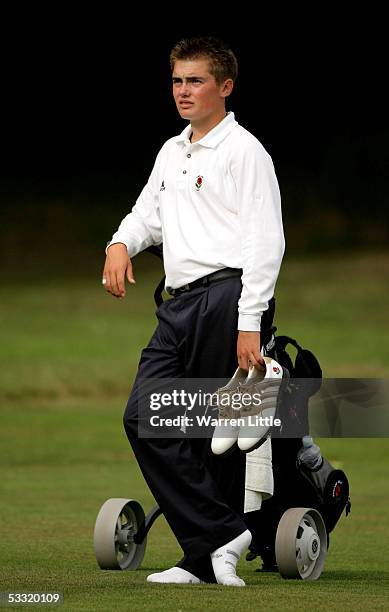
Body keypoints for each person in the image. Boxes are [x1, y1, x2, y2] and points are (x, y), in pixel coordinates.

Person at [102, 36, 285, 586]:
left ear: (224, 87)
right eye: (178, 81)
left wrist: (249, 322)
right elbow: (146, 216)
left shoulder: (245, 151)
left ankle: (206, 558)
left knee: (213, 431)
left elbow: (265, 242)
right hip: (178, 302)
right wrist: (120, 244)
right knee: (145, 415)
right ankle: (218, 537)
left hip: (228, 298)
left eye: (196, 80)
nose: (183, 91)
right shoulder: (171, 150)